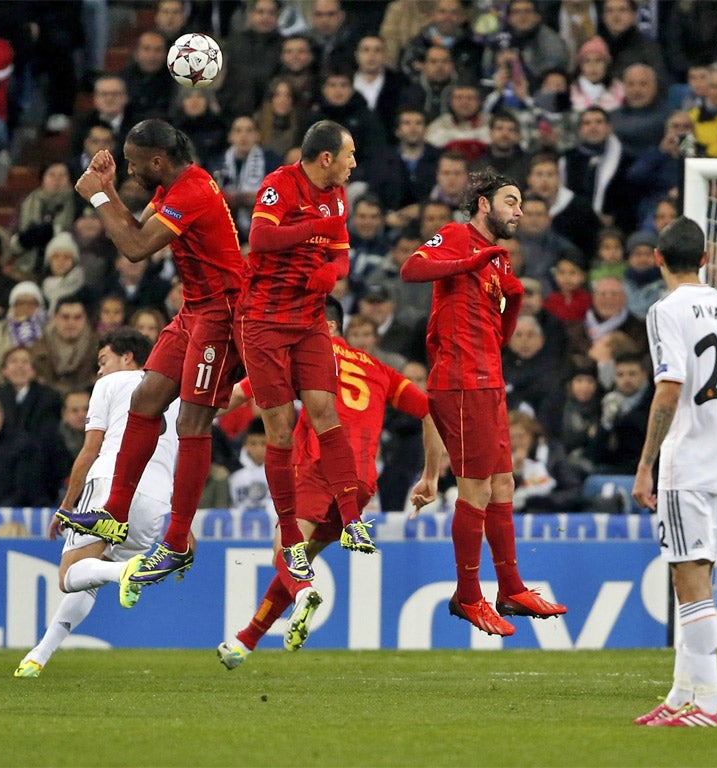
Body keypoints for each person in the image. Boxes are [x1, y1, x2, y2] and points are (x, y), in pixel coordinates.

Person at [56, 119, 247, 588]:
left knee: (192, 423)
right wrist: (106, 191)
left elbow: (136, 248)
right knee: (144, 402)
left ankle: (177, 539)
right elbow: (137, 229)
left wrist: (99, 196)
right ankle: (114, 515)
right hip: (194, 310)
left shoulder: (194, 191)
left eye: (133, 164)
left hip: (223, 314)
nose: (129, 171)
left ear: (158, 161)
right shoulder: (173, 188)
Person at [217, 298, 443, 665]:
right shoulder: (380, 369)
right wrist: (430, 475)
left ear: (330, 327)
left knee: (285, 552)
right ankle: (246, 642)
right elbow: (430, 410)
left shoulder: (307, 359)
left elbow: (240, 394)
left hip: (320, 467)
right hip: (361, 482)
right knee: (299, 559)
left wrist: (187, 411)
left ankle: (303, 594)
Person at [400, 167, 568, 637]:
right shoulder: (456, 236)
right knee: (474, 487)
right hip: (460, 380)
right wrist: (469, 264)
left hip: (489, 378)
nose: (518, 211)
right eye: (511, 201)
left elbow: (502, 322)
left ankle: (511, 587)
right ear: (484, 204)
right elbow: (411, 268)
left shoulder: (499, 259)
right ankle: (468, 595)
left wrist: (511, 303)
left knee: (503, 484)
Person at [630, 216, 717, 728]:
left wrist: (645, 465)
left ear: (658, 259)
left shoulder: (664, 310)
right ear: (705, 259)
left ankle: (708, 704)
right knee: (696, 578)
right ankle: (684, 693)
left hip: (688, 464)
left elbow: (668, 386)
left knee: (689, 578)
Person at [243, 119, 372, 597]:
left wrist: (331, 276)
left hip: (309, 320)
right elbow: (259, 239)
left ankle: (353, 519)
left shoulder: (338, 194)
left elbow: (341, 254)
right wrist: (314, 227)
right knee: (279, 427)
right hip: (264, 321)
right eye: (349, 155)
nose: (353, 163)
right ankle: (290, 535)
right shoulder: (280, 185)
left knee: (325, 411)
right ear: (325, 159)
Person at [15, 329, 180, 677]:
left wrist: (67, 505)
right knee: (93, 575)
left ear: (128, 358)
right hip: (155, 500)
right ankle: (38, 656)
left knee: (70, 575)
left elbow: (91, 450)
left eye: (103, 360)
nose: (100, 370)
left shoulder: (111, 384)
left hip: (111, 483)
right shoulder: (177, 391)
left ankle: (125, 571)